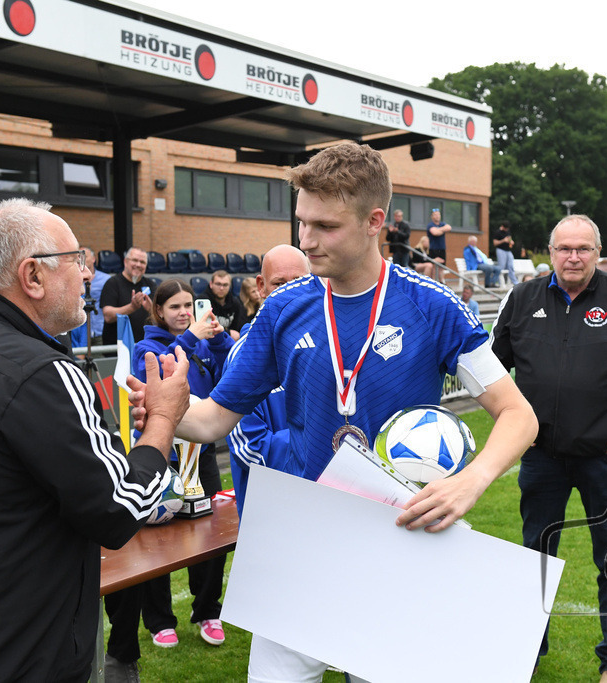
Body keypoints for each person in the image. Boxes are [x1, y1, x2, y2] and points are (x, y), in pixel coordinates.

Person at [128, 142, 538, 683]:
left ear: (374, 222)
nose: (306, 239)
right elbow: (213, 421)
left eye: (325, 225)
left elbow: (518, 414)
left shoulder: (432, 307)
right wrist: (169, 412)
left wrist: (473, 481)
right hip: (300, 537)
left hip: (396, 538)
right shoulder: (283, 307)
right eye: (301, 222)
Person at [0, 199, 189, 682]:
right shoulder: (41, 374)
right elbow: (119, 508)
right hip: (14, 658)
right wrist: (164, 419)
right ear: (32, 276)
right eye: (77, 259)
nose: (88, 274)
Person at [490, 214, 607, 683]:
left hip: (602, 460)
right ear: (549, 252)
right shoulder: (523, 297)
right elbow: (491, 367)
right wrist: (510, 425)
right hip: (541, 457)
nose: (574, 257)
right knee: (535, 556)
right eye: (565, 248)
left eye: (583, 249)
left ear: (598, 252)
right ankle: (528, 649)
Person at [102, 280, 234, 679]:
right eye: (174, 306)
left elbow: (230, 375)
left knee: (212, 536)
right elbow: (160, 372)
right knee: (156, 540)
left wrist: (222, 342)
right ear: (158, 310)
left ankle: (207, 611)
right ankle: (159, 620)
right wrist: (192, 339)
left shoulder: (204, 340)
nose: (182, 312)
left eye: (187, 306)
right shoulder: (148, 346)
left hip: (202, 454)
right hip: (162, 452)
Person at [227, 244, 311, 517]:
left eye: (299, 282)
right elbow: (249, 447)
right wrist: (318, 443)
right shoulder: (244, 355)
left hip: (325, 509)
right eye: (279, 283)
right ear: (261, 287)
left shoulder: (328, 349)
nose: (290, 293)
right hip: (270, 517)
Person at [100, 246, 155, 345]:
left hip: (144, 347)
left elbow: (160, 316)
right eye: (134, 260)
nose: (138, 264)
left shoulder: (150, 284)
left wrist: (151, 309)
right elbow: (108, 316)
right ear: (125, 261)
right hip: (117, 349)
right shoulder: (113, 283)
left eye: (142, 262)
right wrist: (132, 307)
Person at [208, 269, 244, 340]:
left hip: (228, 341)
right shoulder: (203, 301)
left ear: (229, 286)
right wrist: (228, 332)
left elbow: (238, 328)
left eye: (225, 285)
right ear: (211, 284)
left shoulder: (235, 303)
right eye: (218, 284)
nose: (221, 288)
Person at [425, 208, 452, 283]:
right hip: (433, 249)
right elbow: (435, 233)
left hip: (442, 248)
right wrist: (443, 230)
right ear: (432, 216)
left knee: (441, 267)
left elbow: (449, 227)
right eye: (435, 215)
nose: (437, 216)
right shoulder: (430, 225)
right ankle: (433, 282)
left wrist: (439, 230)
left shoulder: (442, 224)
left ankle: (442, 282)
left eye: (438, 215)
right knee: (433, 267)